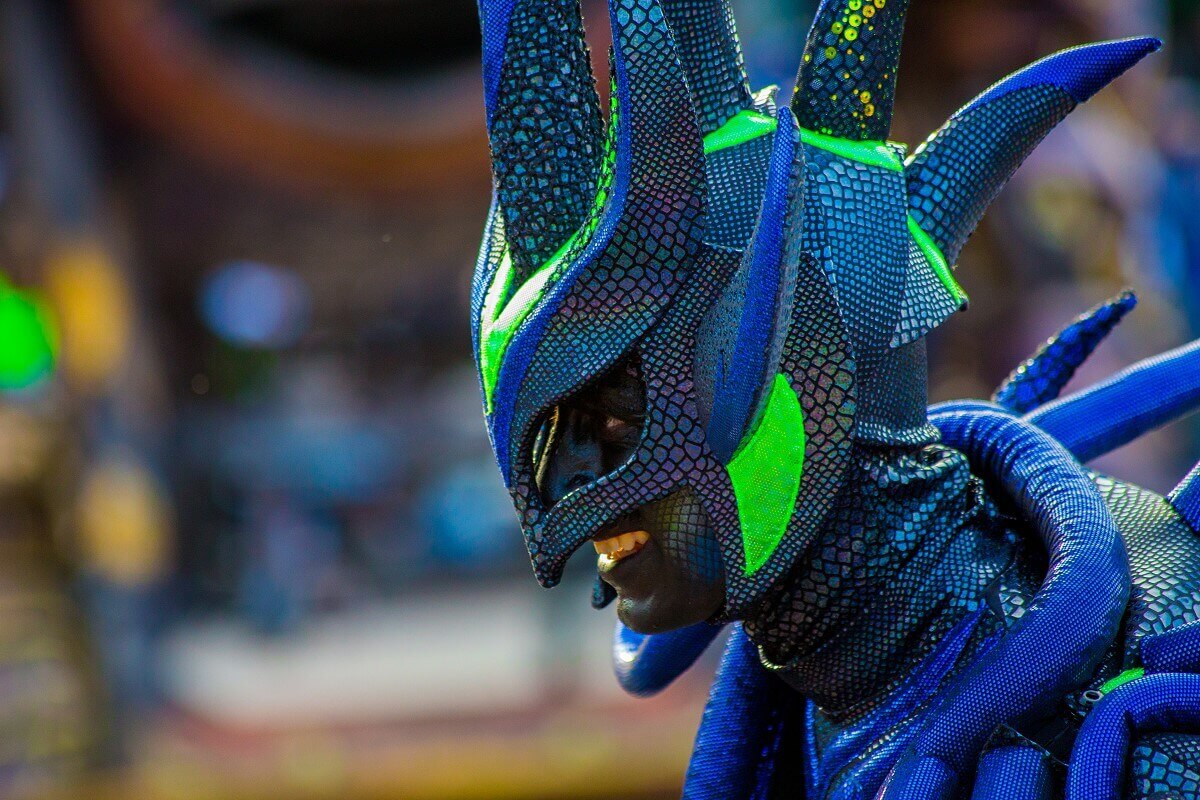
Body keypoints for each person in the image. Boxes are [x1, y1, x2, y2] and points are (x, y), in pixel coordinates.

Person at [469, 0, 1200, 796]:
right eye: (551, 436)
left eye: (611, 419)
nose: (564, 476)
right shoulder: (805, 717)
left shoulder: (1142, 707)